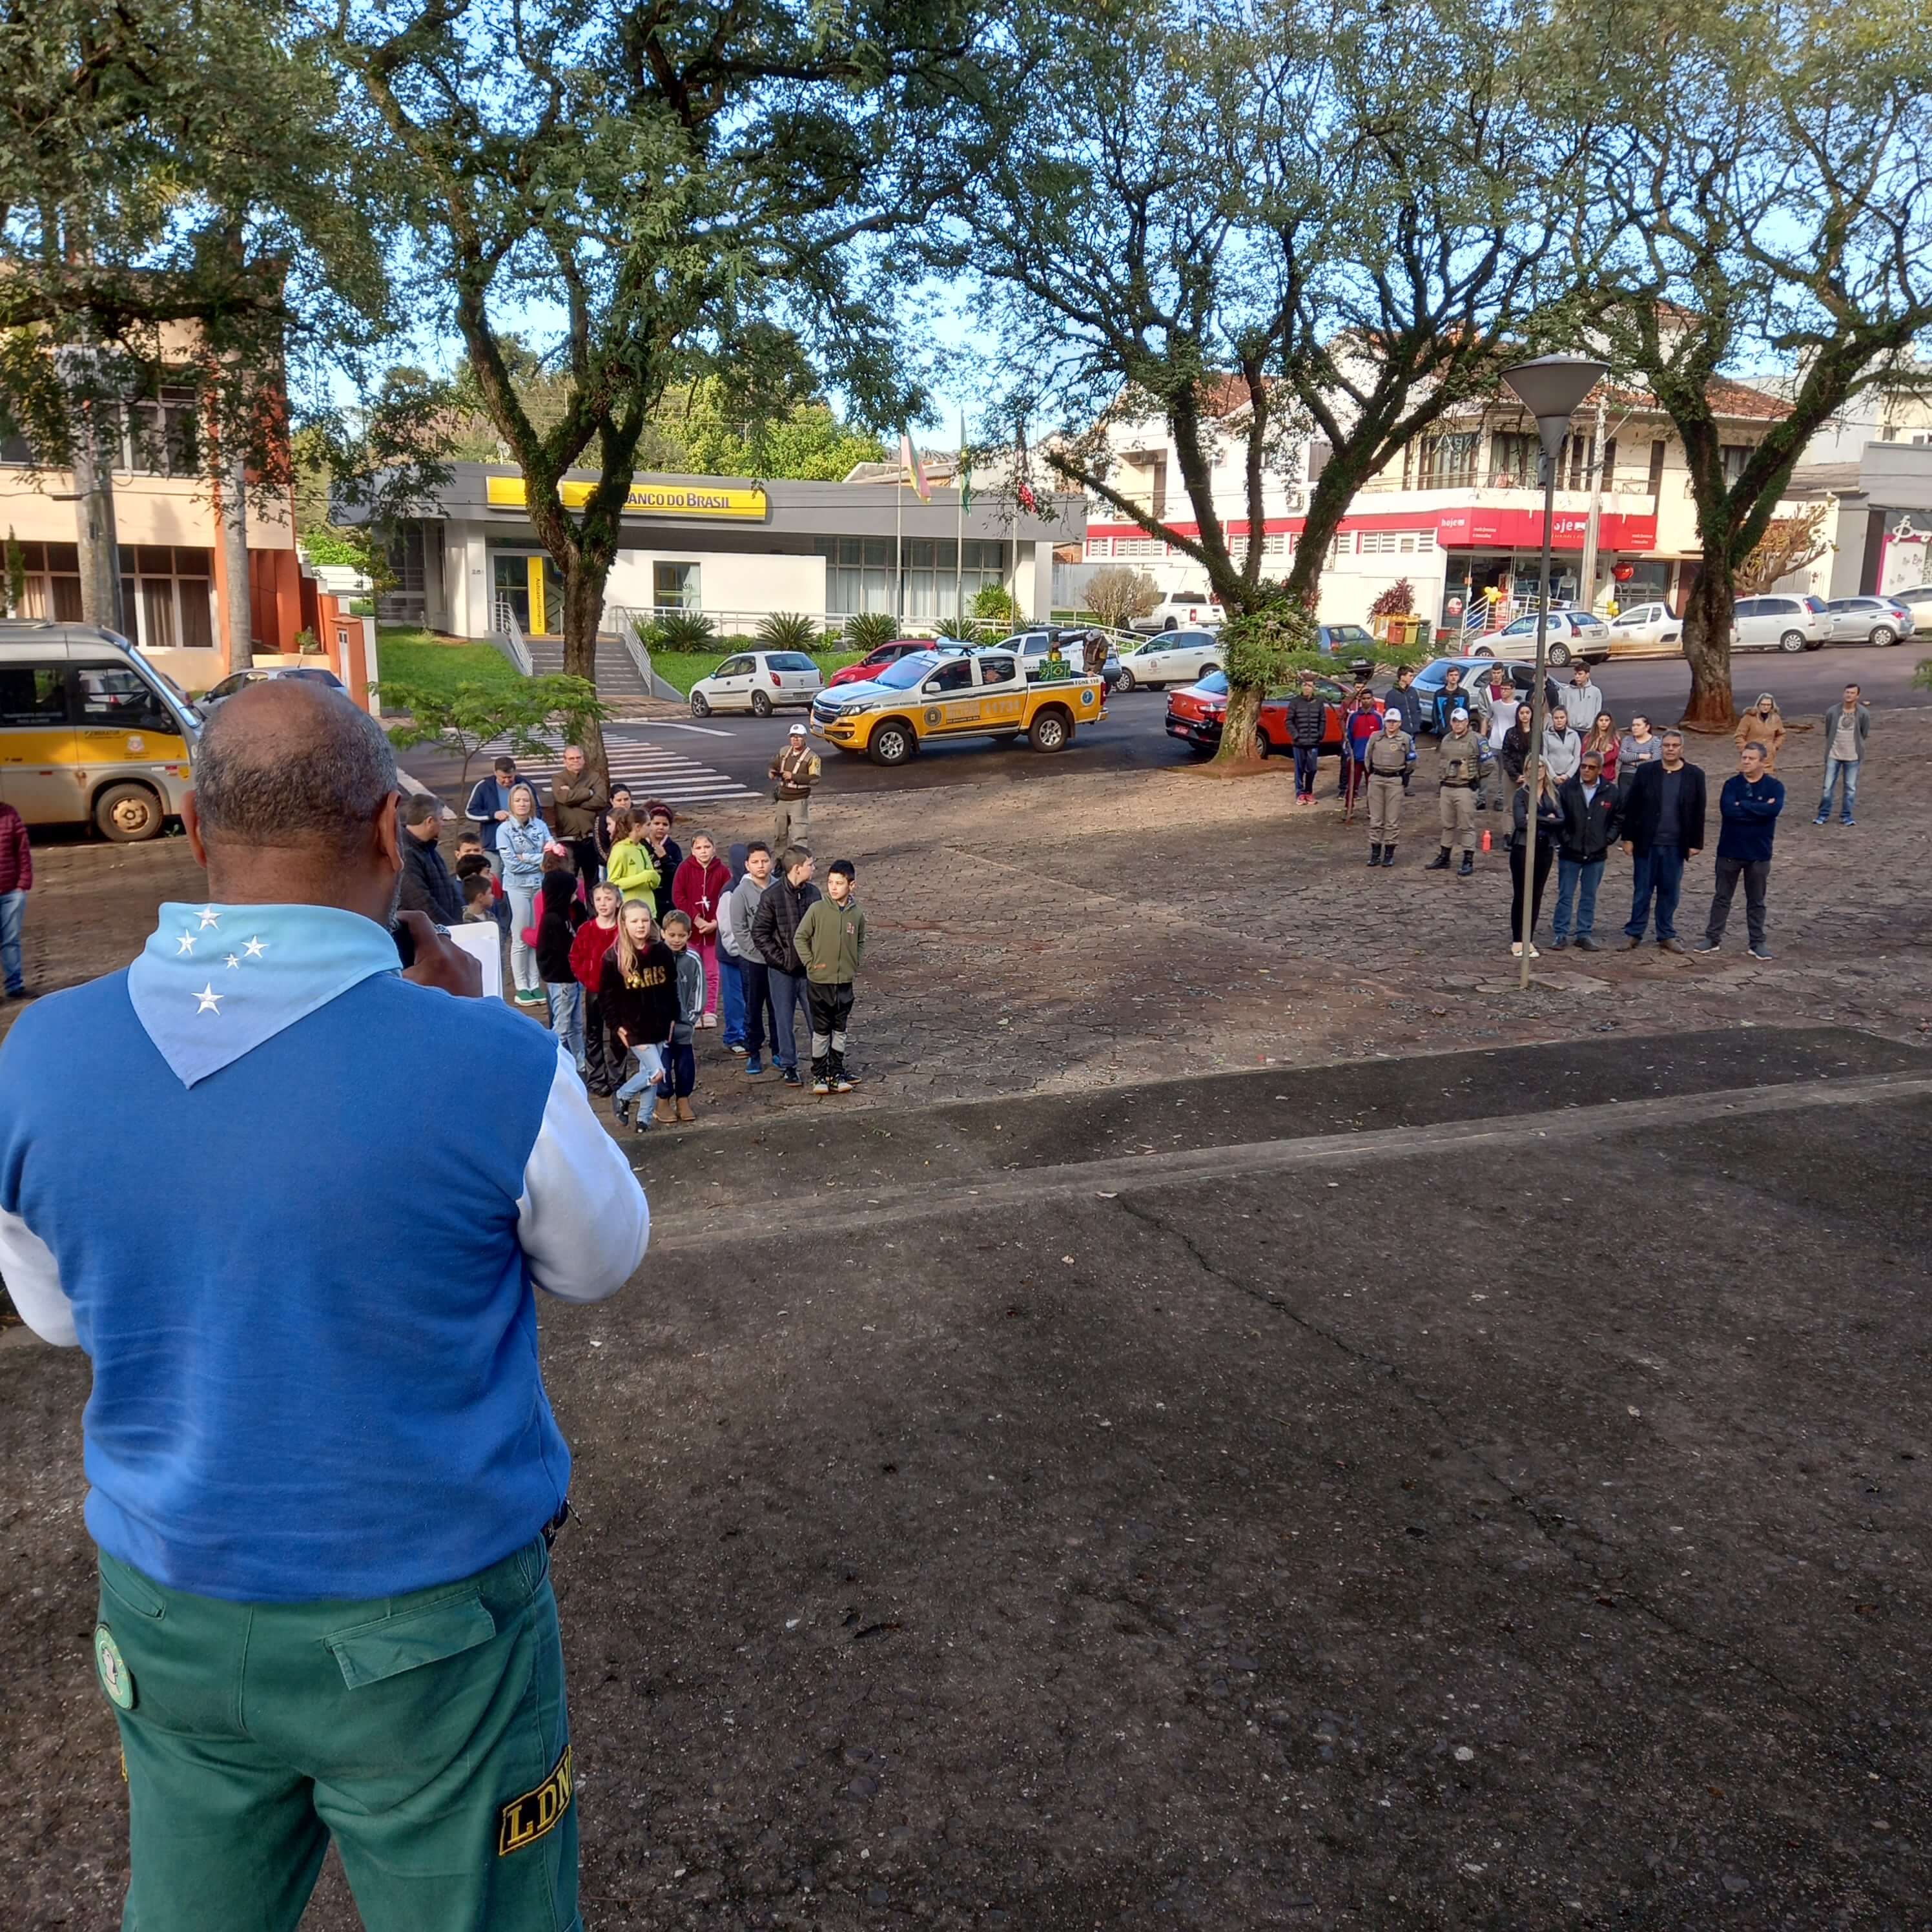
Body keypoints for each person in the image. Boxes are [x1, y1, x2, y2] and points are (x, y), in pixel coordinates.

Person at [0, 680, 646, 1932]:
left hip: (170, 1605)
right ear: (383, 831)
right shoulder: (488, 1057)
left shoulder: (36, 1053)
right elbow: (599, 1258)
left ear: (194, 828)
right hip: (429, 1629)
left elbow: (64, 1317)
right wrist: (480, 1023)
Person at [1697, 741, 1785, 960]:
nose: (1745, 762)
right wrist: (1758, 808)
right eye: (1744, 757)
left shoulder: (1775, 787)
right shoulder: (1731, 784)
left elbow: (1772, 811)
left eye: (1751, 758)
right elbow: (1728, 811)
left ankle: (1757, 942)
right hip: (1730, 850)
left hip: (1759, 853)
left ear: (1762, 762)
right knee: (1722, 897)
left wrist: (1743, 805)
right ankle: (1713, 937)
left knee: (1756, 900)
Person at [1620, 728, 1706, 952]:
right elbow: (1632, 807)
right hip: (1646, 842)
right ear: (1661, 748)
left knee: (1670, 891)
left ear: (1682, 748)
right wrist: (1627, 838)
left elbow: (1699, 811)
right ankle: (1634, 932)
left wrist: (1696, 842)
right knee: (1642, 891)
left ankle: (1666, 933)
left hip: (1676, 844)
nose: (1670, 749)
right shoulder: (1646, 772)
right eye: (1666, 745)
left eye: (1674, 746)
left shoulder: (1695, 775)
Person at [600, 900, 678, 1131]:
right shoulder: (613, 957)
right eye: (634, 921)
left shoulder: (661, 951)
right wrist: (615, 1026)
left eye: (644, 920)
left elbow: (671, 986)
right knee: (657, 1072)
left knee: (648, 1072)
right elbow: (606, 997)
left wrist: (673, 1016)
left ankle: (643, 1119)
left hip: (660, 1023)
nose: (640, 925)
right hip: (634, 1027)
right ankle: (623, 1095)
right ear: (624, 924)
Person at [794, 858, 868, 1093]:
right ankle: (820, 1075)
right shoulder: (817, 909)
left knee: (840, 1030)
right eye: (830, 882)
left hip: (844, 982)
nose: (834, 887)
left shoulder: (857, 915)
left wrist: (853, 962)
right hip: (819, 982)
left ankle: (837, 1072)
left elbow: (860, 941)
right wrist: (811, 963)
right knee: (821, 1031)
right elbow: (800, 938)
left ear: (852, 885)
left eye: (839, 883)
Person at [750, 845, 821, 1089]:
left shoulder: (813, 893)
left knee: (818, 1019)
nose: (814, 868)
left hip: (811, 970)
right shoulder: (771, 896)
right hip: (782, 972)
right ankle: (789, 1066)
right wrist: (780, 961)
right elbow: (759, 933)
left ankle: (822, 1064)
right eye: (811, 864)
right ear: (798, 868)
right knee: (783, 1019)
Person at [1550, 749, 1622, 952]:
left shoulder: (1611, 791)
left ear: (1600, 769)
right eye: (1583, 766)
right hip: (1570, 851)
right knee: (1565, 894)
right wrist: (1565, 839)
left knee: (1589, 895)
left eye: (1591, 767)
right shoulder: (1567, 789)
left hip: (1596, 852)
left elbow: (1618, 818)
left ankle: (1584, 933)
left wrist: (1608, 839)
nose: (1586, 770)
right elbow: (1558, 815)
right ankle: (1560, 933)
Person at [498, 782, 553, 1007]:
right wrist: (538, 860)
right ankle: (521, 986)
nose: (522, 804)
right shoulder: (504, 830)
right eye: (518, 800)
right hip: (517, 887)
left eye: (526, 800)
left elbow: (552, 855)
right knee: (520, 936)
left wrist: (529, 859)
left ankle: (534, 983)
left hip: (539, 886)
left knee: (536, 935)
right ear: (511, 802)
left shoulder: (540, 826)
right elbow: (511, 864)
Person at [671, 832, 730, 1029]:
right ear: (692, 850)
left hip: (714, 933)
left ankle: (710, 1010)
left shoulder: (722, 871)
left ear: (714, 848)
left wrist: (715, 922)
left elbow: (728, 897)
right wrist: (695, 919)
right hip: (692, 932)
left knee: (712, 973)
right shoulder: (685, 869)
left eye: (707, 847)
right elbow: (679, 896)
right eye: (699, 848)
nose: (703, 851)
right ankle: (692, 1011)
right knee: (690, 972)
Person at [570, 881, 623, 1094]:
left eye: (608, 899)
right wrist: (588, 978)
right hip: (595, 990)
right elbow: (576, 957)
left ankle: (618, 1078)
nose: (603, 904)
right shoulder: (587, 929)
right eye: (599, 899)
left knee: (618, 1036)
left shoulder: (622, 930)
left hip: (620, 992)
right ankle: (596, 1078)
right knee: (593, 1034)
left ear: (618, 902)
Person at [730, 841, 777, 1076]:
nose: (761, 866)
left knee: (778, 1007)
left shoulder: (779, 887)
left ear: (772, 862)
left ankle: (780, 1051)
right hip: (752, 961)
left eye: (765, 861)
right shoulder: (741, 893)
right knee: (753, 1008)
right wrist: (758, 953)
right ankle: (754, 1052)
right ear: (747, 865)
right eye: (756, 862)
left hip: (778, 960)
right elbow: (739, 929)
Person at [534, 867, 588, 1073]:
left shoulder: (565, 914)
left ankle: (579, 1064)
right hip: (562, 980)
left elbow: (581, 926)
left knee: (575, 1025)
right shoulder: (554, 920)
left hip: (570, 979)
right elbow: (569, 948)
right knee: (562, 1026)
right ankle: (554, 1067)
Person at [1508, 768, 1564, 959]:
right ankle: (1518, 940)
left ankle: (1528, 939)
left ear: (1546, 770)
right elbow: (1521, 823)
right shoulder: (1520, 795)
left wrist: (1535, 818)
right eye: (1532, 768)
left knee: (1536, 895)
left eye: (1540, 767)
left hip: (1545, 848)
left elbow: (1561, 821)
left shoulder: (1553, 793)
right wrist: (1547, 819)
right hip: (1523, 848)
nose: (1536, 771)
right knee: (1522, 894)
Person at [655, 910, 704, 1123]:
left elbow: (698, 991)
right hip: (659, 1028)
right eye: (672, 935)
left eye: (681, 936)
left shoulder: (693, 959)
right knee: (662, 1065)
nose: (676, 940)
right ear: (663, 933)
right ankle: (662, 1101)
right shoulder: (654, 956)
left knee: (685, 1064)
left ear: (689, 935)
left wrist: (690, 1020)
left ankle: (683, 1099)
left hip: (683, 1028)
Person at [1426, 707, 1483, 876]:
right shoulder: (1446, 739)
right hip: (1447, 787)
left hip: (1465, 788)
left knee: (1466, 825)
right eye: (1455, 721)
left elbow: (1488, 764)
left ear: (1467, 722)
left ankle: (1468, 859)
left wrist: (1475, 778)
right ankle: (1444, 857)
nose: (1458, 724)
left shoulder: (1477, 739)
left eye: (1461, 721)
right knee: (1447, 825)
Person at [396, 791, 464, 925]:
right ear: (430, 821)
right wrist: (450, 930)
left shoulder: (428, 848)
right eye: (442, 819)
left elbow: (450, 889)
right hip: (427, 936)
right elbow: (420, 902)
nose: (443, 824)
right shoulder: (407, 855)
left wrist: (459, 921)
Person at [550, 745, 608, 895]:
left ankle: (593, 913)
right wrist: (588, 792)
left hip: (589, 838)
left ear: (583, 759)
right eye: (571, 758)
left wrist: (574, 800)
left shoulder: (594, 777)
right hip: (568, 839)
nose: (575, 761)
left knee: (593, 884)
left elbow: (601, 800)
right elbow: (563, 797)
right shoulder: (559, 778)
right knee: (568, 881)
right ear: (565, 761)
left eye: (578, 758)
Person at [1364, 704, 1414, 867]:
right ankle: (1375, 853)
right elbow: (1367, 757)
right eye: (1389, 721)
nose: (1391, 725)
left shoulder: (1406, 739)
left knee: (1392, 820)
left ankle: (1389, 853)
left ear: (1400, 723)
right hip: (1377, 779)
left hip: (1395, 780)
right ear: (1384, 722)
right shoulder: (1375, 737)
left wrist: (1403, 777)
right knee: (1376, 819)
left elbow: (1412, 761)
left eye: (1395, 722)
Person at [714, 843, 750, 1056]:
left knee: (749, 997)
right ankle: (734, 1035)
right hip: (732, 955)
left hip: (750, 954)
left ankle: (747, 1032)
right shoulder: (729, 891)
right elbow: (726, 928)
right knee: (734, 997)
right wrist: (738, 952)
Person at [1815, 683, 1869, 826]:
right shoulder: (1833, 711)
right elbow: (1828, 731)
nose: (1849, 695)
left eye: (1852, 693)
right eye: (1847, 692)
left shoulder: (1863, 713)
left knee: (1850, 788)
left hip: (1853, 756)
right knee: (1827, 787)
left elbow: (1864, 733)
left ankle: (1846, 816)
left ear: (1857, 696)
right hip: (1834, 754)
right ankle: (1823, 815)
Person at [464, 754, 519, 878]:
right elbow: (470, 812)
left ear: (515, 772)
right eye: (502, 778)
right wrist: (493, 815)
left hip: (519, 846)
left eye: (510, 777)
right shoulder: (484, 786)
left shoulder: (524, 784)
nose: (507, 781)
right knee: (494, 882)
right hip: (493, 847)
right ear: (495, 773)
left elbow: (537, 810)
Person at [0, 794, 32, 999]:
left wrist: (22, 885)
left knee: (11, 941)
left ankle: (14, 985)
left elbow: (23, 851)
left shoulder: (9, 814)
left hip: (11, 892)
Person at [769, 726, 821, 852]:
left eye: (798, 737)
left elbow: (815, 779)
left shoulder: (812, 757)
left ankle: (800, 863)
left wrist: (794, 777)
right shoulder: (784, 751)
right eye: (793, 736)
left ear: (805, 738)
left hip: (799, 801)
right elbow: (773, 764)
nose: (795, 740)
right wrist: (771, 771)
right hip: (782, 799)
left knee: (799, 836)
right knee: (779, 835)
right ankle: (780, 864)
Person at [603, 810, 660, 906]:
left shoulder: (642, 848)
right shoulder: (620, 850)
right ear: (637, 827)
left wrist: (654, 878)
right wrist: (644, 877)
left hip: (649, 907)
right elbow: (613, 883)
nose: (651, 828)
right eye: (648, 824)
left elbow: (652, 878)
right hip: (630, 909)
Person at [1286, 672, 1326, 803]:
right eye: (1305, 685)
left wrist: (1320, 734)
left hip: (1313, 741)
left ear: (1314, 688)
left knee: (1312, 768)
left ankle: (1309, 791)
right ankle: (1300, 793)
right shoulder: (1295, 702)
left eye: (1310, 686)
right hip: (1299, 742)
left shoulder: (1319, 702)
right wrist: (1296, 735)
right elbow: (1289, 721)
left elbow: (1322, 720)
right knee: (1299, 769)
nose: (1307, 688)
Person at [639, 802, 683, 919]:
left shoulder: (673, 848)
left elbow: (679, 875)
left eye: (665, 824)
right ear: (649, 825)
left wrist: (665, 858)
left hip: (668, 899)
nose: (661, 827)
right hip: (646, 896)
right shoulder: (641, 845)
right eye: (656, 823)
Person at [1734, 692, 1785, 772]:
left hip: (1767, 759)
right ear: (1758, 704)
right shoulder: (1748, 718)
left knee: (1766, 783)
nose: (1766, 707)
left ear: (1772, 706)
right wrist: (1746, 750)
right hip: (1750, 759)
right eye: (1763, 704)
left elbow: (1781, 734)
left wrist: (1774, 747)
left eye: (1768, 705)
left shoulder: (1775, 719)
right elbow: (1739, 736)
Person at [595, 785, 635, 868]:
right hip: (610, 863)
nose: (623, 803)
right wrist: (612, 862)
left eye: (626, 799)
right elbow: (600, 846)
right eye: (619, 800)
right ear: (612, 801)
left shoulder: (637, 815)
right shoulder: (603, 818)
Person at [1499, 701, 1535, 792]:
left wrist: (1529, 774)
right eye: (1522, 713)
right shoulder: (1510, 733)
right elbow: (1506, 755)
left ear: (1532, 714)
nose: (1525, 715)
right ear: (1517, 715)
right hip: (1512, 775)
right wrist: (1515, 775)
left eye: (1527, 713)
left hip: (1531, 775)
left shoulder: (1537, 733)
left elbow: (1539, 754)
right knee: (1509, 805)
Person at [1382, 663, 1423, 739]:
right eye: (1410, 676)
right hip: (1400, 733)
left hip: (1414, 731)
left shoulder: (1414, 692)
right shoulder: (1392, 695)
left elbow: (1418, 709)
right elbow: (1388, 714)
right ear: (1402, 677)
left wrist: (1418, 724)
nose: (1412, 678)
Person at [1541, 705, 1581, 783]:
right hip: (1552, 778)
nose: (1559, 720)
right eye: (1556, 718)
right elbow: (1544, 758)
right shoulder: (1545, 735)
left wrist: (1568, 775)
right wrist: (1554, 777)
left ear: (1566, 719)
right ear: (1552, 719)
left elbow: (1577, 757)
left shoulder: (1574, 735)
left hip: (1570, 778)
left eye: (1562, 718)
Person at [1618, 713, 1662, 784]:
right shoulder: (1627, 740)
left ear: (1647, 727)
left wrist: (1635, 764)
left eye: (1638, 725)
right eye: (1633, 725)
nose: (1635, 728)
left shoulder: (1656, 741)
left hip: (1647, 775)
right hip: (1627, 775)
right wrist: (1642, 756)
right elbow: (1622, 756)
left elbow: (1655, 760)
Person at [1432, 664, 1474, 735]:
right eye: (1451, 675)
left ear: (1459, 677)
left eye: (1456, 675)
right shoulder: (1439, 694)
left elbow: (1467, 713)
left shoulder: (1464, 693)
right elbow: (1434, 714)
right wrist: (1437, 728)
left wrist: (1465, 728)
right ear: (1447, 677)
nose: (1454, 677)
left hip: (1459, 732)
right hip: (1443, 733)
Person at [1581, 710, 1620, 785]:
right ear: (1597, 722)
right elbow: (1584, 755)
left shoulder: (1614, 739)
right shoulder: (1588, 738)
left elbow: (1611, 757)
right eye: (1601, 720)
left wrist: (1597, 756)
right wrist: (1603, 753)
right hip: (1590, 777)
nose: (1604, 723)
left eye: (1607, 720)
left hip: (1607, 778)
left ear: (1610, 722)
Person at [1563, 662, 1603, 734]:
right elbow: (1564, 709)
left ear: (1587, 675)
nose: (1577, 677)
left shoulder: (1595, 692)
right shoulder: (1567, 691)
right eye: (1575, 674)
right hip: (1571, 730)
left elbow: (1597, 711)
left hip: (1588, 731)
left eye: (1580, 674)